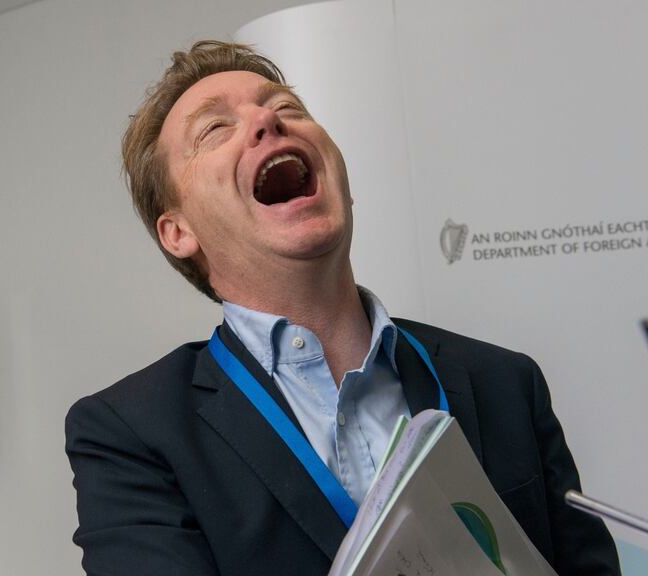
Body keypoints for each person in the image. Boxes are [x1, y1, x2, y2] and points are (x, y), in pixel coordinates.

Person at [64, 41, 619, 575]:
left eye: (287, 107)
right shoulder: (128, 434)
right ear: (178, 231)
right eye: (215, 128)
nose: (267, 121)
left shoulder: (505, 382)